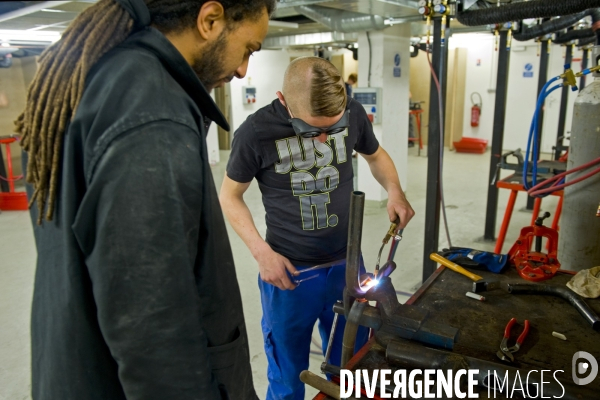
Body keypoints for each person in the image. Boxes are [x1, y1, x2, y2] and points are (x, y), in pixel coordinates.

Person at [15, 0, 274, 399]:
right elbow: (153, 328)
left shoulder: (97, 77)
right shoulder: (152, 111)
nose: (243, 70)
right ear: (210, 20)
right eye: (248, 49)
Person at [220, 57, 414, 400]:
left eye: (333, 128)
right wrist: (262, 254)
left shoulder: (352, 112)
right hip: (290, 274)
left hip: (348, 266)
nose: (324, 140)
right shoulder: (256, 132)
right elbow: (230, 196)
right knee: (288, 377)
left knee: (352, 366)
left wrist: (395, 191)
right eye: (311, 131)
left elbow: (375, 155)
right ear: (283, 100)